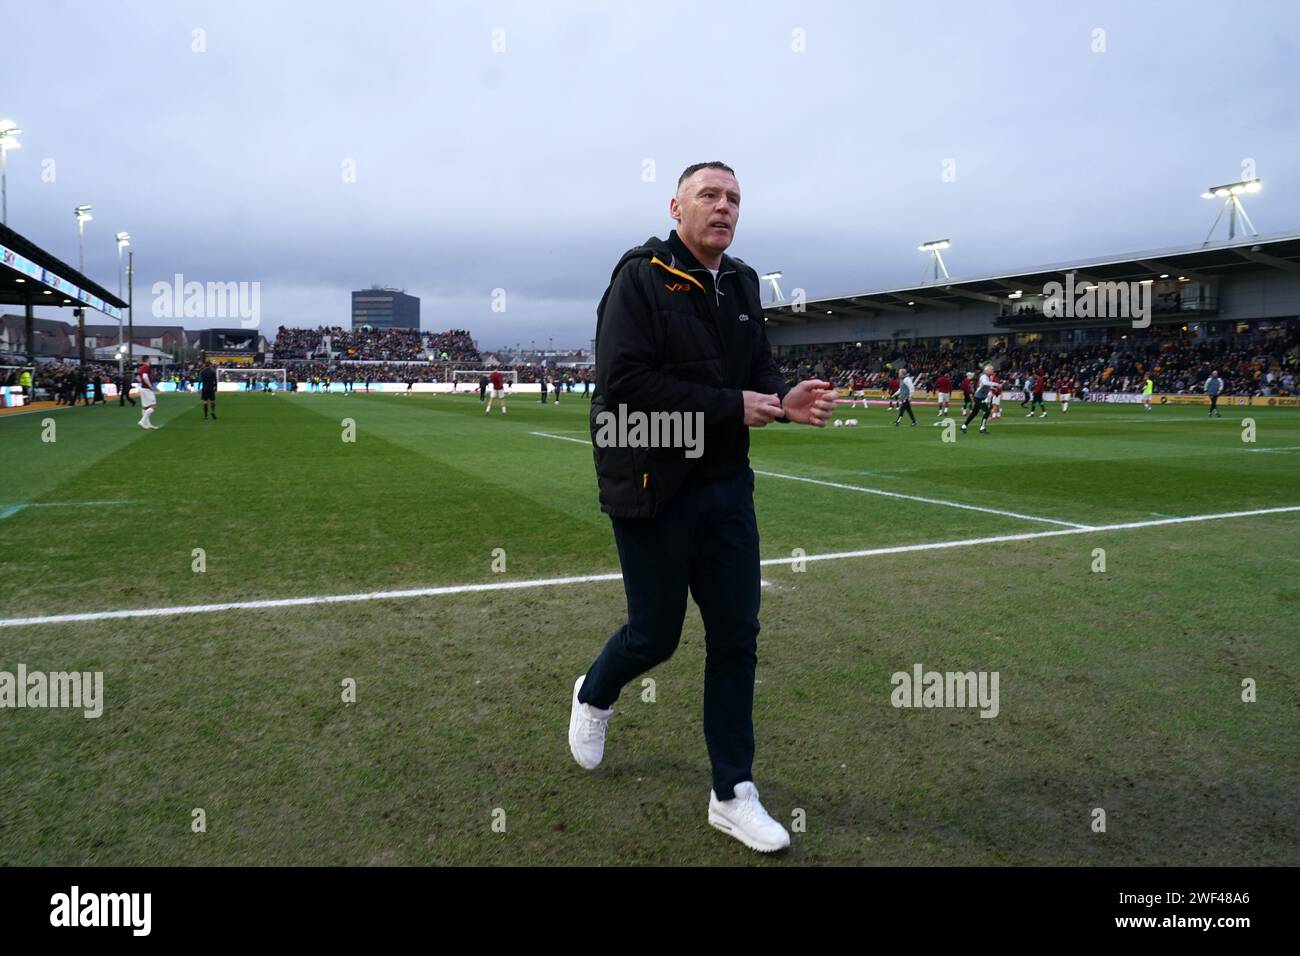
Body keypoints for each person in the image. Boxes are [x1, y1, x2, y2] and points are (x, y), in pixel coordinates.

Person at [569, 161, 835, 854]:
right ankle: (596, 693)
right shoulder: (640, 278)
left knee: (737, 636)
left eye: (734, 199)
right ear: (677, 206)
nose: (724, 208)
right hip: (652, 487)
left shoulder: (743, 282)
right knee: (655, 637)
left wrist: (783, 400)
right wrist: (730, 406)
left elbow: (757, 373)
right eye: (709, 196)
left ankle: (732, 792)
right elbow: (622, 386)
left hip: (726, 488)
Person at [961, 365, 995, 434]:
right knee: (987, 411)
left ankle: (964, 426)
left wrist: (992, 388)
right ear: (987, 370)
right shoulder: (984, 376)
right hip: (979, 397)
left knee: (974, 413)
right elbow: (985, 383)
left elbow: (985, 385)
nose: (993, 371)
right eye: (992, 369)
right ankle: (982, 428)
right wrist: (996, 384)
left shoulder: (988, 377)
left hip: (979, 397)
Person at [137, 360, 159, 430]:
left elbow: (139, 377)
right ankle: (142, 421)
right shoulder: (146, 367)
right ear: (147, 360)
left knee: (145, 407)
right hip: (147, 389)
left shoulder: (141, 368)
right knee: (153, 406)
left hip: (143, 388)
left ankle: (148, 424)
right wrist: (150, 385)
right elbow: (145, 377)